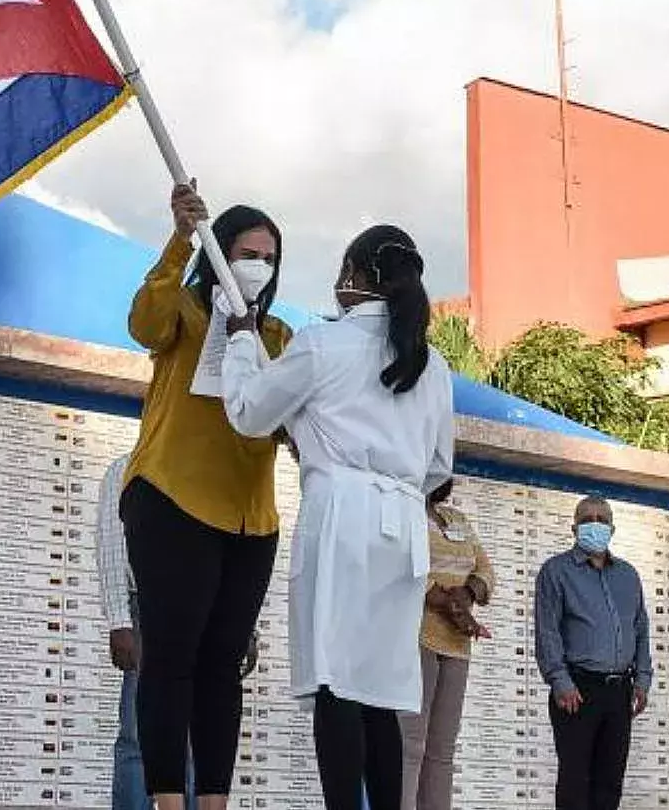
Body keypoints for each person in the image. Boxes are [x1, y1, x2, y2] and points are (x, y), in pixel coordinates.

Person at [220, 225, 455, 810]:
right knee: (377, 691)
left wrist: (243, 342)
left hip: (344, 517)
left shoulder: (322, 344)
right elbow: (437, 468)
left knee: (336, 684)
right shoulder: (435, 366)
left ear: (354, 273)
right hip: (402, 528)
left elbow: (249, 412)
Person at [122, 183, 292, 810]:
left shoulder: (279, 336)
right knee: (170, 658)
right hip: (172, 501)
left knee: (224, 666)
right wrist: (179, 238)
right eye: (246, 252)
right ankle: (169, 801)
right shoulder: (187, 314)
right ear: (219, 253)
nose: (259, 265)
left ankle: (215, 802)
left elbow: (292, 419)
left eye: (270, 257)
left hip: (252, 520)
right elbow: (142, 323)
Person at [96, 452, 201, 810]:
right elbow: (111, 544)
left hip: (203, 613)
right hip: (145, 611)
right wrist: (119, 621)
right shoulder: (126, 468)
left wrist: (245, 627)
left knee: (196, 741)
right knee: (137, 737)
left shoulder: (210, 471)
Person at [534, 496, 652, 810]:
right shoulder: (556, 571)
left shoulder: (628, 575)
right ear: (574, 528)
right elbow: (548, 631)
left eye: (602, 518)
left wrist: (642, 680)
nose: (595, 523)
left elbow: (640, 629)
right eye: (587, 518)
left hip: (619, 692)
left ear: (613, 528)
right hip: (577, 691)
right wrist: (560, 681)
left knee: (610, 784)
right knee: (575, 785)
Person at [401, 480, 494, 810]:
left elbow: (486, 571)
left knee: (442, 750)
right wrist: (454, 608)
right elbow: (407, 568)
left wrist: (466, 594)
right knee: (410, 745)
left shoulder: (457, 519)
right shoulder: (403, 512)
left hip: (457, 646)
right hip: (415, 639)